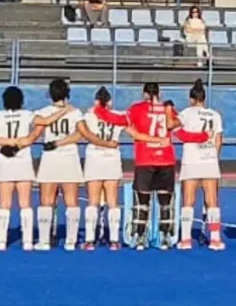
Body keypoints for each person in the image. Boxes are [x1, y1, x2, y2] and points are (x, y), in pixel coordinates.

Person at [95, 82, 208, 250]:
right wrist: (203, 136)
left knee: (142, 200)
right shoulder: (167, 109)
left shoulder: (137, 108)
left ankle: (140, 237)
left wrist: (99, 110)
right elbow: (179, 130)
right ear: (159, 93)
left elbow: (118, 119)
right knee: (165, 201)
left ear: (144, 94)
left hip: (145, 159)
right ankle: (165, 238)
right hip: (166, 159)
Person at [0, 86, 40, 251]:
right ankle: (28, 241)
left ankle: (1, 241)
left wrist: (7, 141)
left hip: (6, 161)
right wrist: (29, 138)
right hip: (23, 161)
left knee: (4, 202)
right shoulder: (27, 115)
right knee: (25, 202)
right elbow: (43, 122)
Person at [34, 79, 84, 251]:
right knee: (71, 200)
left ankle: (44, 240)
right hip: (69, 157)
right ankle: (71, 241)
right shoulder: (75, 112)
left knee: (46, 200)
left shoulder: (43, 112)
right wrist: (63, 142)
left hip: (50, 158)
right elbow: (80, 135)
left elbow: (37, 129)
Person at [177, 79, 224, 251]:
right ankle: (215, 239)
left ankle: (186, 239)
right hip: (209, 160)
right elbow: (219, 141)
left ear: (191, 99)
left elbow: (175, 128)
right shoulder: (215, 115)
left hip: (192, 160)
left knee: (188, 200)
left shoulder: (187, 113)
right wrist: (213, 156)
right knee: (212, 201)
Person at [77, 87, 127, 250]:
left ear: (96, 102)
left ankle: (90, 240)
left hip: (95, 159)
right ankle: (114, 240)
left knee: (93, 200)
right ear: (110, 102)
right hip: (112, 158)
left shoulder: (89, 116)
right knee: (112, 200)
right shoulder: (118, 116)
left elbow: (82, 130)